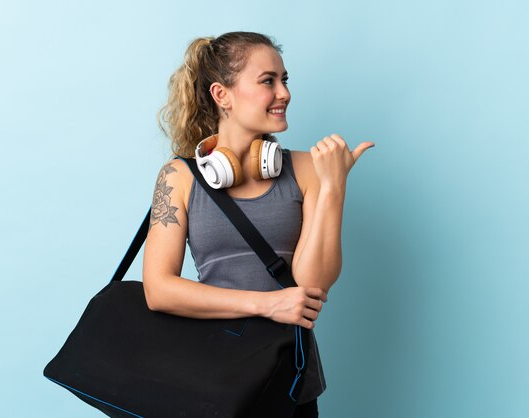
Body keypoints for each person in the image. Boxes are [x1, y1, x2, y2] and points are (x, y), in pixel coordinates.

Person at [142, 31, 374, 418]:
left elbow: (312, 284)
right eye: (268, 81)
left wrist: (334, 188)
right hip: (211, 378)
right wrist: (266, 304)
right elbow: (159, 290)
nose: (283, 93)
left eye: (285, 81)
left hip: (289, 380)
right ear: (222, 95)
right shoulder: (179, 177)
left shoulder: (308, 169)